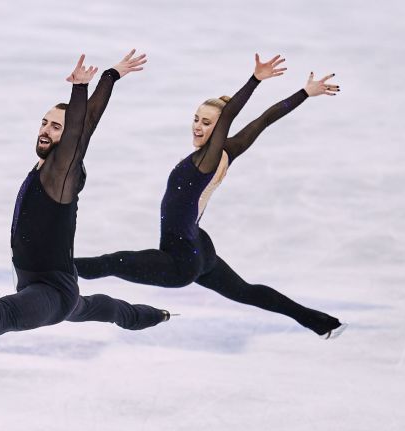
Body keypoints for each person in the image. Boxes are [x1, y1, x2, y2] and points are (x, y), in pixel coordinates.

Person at [0, 51, 171, 371]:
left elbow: (83, 127)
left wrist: (82, 88)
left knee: (3, 314)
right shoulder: (44, 170)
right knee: (107, 309)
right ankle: (153, 315)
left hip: (51, 291)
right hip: (47, 287)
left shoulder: (61, 176)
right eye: (44, 122)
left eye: (56, 127)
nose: (46, 130)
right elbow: (80, 127)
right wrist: (110, 75)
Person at [75, 53, 347, 339]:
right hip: (199, 247)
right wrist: (304, 92)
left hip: (179, 261)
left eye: (206, 123)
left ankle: (43, 266)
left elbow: (231, 116)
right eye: (196, 119)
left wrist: (254, 81)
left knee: (110, 263)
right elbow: (265, 119)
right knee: (246, 292)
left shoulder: (207, 159)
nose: (197, 126)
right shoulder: (230, 150)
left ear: (219, 130)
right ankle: (321, 322)